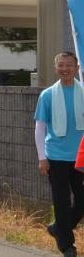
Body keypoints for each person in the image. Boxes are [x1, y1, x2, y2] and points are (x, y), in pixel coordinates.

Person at [38, 52, 84, 257]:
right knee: (62, 201)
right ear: (56, 68)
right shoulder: (47, 95)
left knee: (82, 200)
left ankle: (59, 228)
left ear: (76, 67)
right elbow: (40, 128)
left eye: (69, 65)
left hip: (81, 156)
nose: (65, 69)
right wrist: (42, 157)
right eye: (61, 65)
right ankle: (67, 246)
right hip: (56, 157)